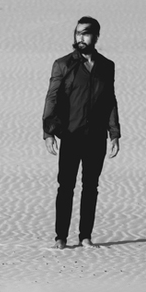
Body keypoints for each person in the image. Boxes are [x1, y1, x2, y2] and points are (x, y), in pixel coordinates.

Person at [42, 16, 120, 249]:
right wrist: (49, 132)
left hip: (96, 136)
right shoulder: (63, 64)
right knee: (65, 186)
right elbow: (52, 98)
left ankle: (85, 235)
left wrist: (114, 132)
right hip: (71, 135)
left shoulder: (106, 66)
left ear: (96, 36)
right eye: (77, 33)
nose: (80, 38)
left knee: (91, 187)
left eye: (85, 33)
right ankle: (61, 237)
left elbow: (110, 100)